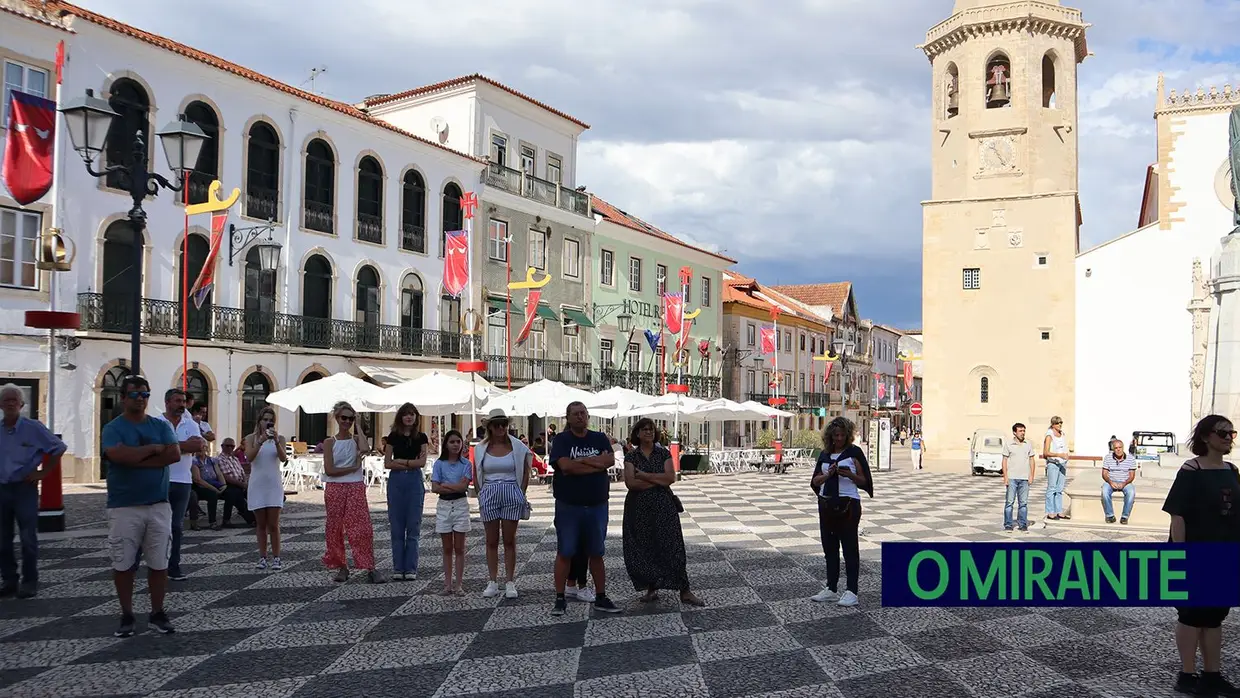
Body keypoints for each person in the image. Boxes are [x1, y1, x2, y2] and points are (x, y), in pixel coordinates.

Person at [1164, 415, 1240, 696]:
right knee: (1191, 615)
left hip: (1224, 554)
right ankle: (1186, 674)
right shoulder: (1191, 469)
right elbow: (1178, 515)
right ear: (1206, 437)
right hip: (1196, 553)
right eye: (1222, 433)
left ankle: (1212, 674)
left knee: (1216, 615)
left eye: (1231, 433)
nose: (1228, 437)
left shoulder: (1232, 470)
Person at [101, 375, 181, 637]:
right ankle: (127, 614)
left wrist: (137, 457)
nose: (140, 399)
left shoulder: (160, 425)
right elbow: (116, 455)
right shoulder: (113, 428)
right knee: (123, 563)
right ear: (123, 398)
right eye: (134, 394)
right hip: (124, 506)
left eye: (144, 394)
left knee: (159, 562)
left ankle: (157, 613)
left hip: (158, 504)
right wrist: (154, 451)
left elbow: (174, 454)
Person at [622, 417, 704, 606]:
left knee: (672, 546)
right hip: (639, 509)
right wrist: (656, 480)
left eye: (651, 429)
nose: (648, 432)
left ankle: (685, 590)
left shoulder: (663, 453)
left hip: (663, 507)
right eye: (644, 429)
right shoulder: (631, 457)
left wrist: (643, 475)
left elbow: (670, 478)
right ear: (637, 433)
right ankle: (652, 588)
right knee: (645, 546)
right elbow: (630, 483)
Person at [549, 401, 621, 616]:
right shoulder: (562, 440)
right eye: (576, 414)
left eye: (584, 413)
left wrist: (583, 461)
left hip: (597, 504)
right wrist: (594, 463)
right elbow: (566, 467)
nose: (581, 417)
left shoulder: (599, 438)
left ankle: (601, 596)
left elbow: (609, 460)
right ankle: (560, 597)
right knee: (566, 551)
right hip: (569, 505)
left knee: (597, 552)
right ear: (568, 418)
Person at [0, 384, 66, 599]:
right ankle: (9, 580)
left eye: (14, 399)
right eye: (6, 399)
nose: (10, 403)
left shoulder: (33, 427)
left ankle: (30, 581)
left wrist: (43, 473)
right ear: (1, 404)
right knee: (2, 538)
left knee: (28, 537)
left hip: (23, 489)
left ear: (21, 404)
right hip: (2, 488)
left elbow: (58, 447)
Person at [809, 417, 873, 607]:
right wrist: (828, 475)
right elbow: (814, 481)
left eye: (842, 435)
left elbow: (864, 480)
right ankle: (831, 588)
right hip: (826, 503)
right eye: (835, 435)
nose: (838, 439)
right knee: (829, 548)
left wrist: (850, 475)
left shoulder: (854, 453)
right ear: (829, 436)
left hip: (848, 505)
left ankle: (852, 591)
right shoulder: (825, 454)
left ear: (848, 435)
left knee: (849, 548)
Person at [474, 408, 532, 599]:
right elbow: (477, 472)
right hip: (489, 491)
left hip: (511, 491)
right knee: (491, 540)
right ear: (490, 427)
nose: (500, 428)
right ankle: (492, 581)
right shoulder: (481, 448)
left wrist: (520, 492)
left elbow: (526, 470)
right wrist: (481, 494)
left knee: (509, 540)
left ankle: (509, 581)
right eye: (496, 424)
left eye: (503, 424)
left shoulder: (518, 446)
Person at [322, 401, 382, 583]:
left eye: (350, 418)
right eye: (343, 418)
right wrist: (352, 467)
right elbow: (330, 470)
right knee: (335, 528)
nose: (346, 421)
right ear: (336, 418)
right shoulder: (329, 442)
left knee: (362, 527)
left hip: (355, 486)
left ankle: (369, 565)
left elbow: (366, 449)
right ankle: (341, 566)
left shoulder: (356, 440)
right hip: (335, 488)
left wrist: (358, 426)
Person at [154, 389, 206, 582]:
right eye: (178, 401)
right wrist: (182, 446)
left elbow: (197, 446)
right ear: (167, 402)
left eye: (184, 401)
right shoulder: (157, 423)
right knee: (158, 526)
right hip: (160, 480)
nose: (182, 405)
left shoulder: (191, 424)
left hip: (183, 481)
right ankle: (157, 564)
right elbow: (156, 449)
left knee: (176, 526)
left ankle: (173, 566)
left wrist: (171, 445)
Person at [385, 402, 429, 581]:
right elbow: (387, 463)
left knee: (413, 526)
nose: (409, 417)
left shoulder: (422, 437)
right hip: (396, 481)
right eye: (406, 414)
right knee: (396, 527)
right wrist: (410, 462)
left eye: (412, 414)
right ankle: (398, 567)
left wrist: (402, 461)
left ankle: (410, 568)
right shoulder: (392, 437)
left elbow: (422, 462)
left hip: (414, 481)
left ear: (416, 417)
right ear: (400, 417)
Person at [243, 406, 286, 569]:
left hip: (273, 484)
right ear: (259, 421)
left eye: (271, 420)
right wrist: (260, 441)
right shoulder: (250, 438)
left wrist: (275, 441)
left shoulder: (279, 438)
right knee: (260, 524)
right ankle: (262, 556)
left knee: (274, 524)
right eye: (265, 420)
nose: (268, 423)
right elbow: (249, 457)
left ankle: (276, 557)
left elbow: (283, 458)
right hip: (258, 484)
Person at [430, 430, 471, 596]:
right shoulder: (439, 464)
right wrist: (451, 486)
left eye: (458, 442)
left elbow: (463, 487)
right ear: (446, 444)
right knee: (447, 547)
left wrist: (445, 485)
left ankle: (458, 584)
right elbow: (434, 487)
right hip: (444, 506)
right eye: (452, 442)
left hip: (461, 504)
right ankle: (447, 584)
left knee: (460, 547)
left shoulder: (466, 464)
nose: (455, 445)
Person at [1002, 422, 1036, 532]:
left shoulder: (1028, 444)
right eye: (1020, 431)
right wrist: (1005, 476)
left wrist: (1031, 475)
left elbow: (1032, 459)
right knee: (1009, 502)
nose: (1023, 433)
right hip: (1012, 477)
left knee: (1023, 503)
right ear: (1014, 432)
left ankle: (1022, 524)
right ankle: (1008, 524)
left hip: (1024, 478)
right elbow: (1004, 460)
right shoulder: (1008, 444)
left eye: (1024, 431)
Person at [214, 439, 255, 527]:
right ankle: (250, 519)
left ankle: (259, 517)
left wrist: (244, 482)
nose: (230, 448)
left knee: (254, 492)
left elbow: (242, 473)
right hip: (228, 484)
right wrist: (242, 485)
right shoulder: (220, 459)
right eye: (227, 446)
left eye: (232, 446)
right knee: (234, 493)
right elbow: (226, 476)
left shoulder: (235, 459)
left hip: (239, 483)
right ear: (222, 446)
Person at [1101, 438, 1137, 524]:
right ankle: (1110, 515)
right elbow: (1104, 474)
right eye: (1116, 448)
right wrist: (1110, 482)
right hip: (1111, 481)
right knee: (1104, 491)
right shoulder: (1108, 458)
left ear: (1123, 448)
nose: (1118, 450)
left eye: (1120, 447)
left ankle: (1125, 516)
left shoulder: (1130, 459)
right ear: (1113, 449)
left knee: (1131, 492)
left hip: (1126, 481)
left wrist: (1124, 483)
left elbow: (1132, 476)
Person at [188, 453, 226, 531]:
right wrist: (215, 489)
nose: (201, 450)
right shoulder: (194, 461)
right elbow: (198, 480)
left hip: (212, 484)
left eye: (203, 447)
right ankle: (197, 522)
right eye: (199, 448)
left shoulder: (212, 460)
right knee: (209, 495)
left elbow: (219, 473)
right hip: (198, 486)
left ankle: (225, 520)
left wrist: (223, 485)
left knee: (232, 492)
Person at [1043, 416, 1070, 521]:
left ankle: (1059, 510)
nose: (1060, 425)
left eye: (1061, 423)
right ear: (1053, 424)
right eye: (1058, 423)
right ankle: (1050, 511)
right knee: (1052, 488)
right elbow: (1046, 452)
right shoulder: (1049, 435)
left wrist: (1066, 455)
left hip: (1062, 463)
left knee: (1059, 489)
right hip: (1053, 463)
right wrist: (1059, 455)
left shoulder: (1062, 434)